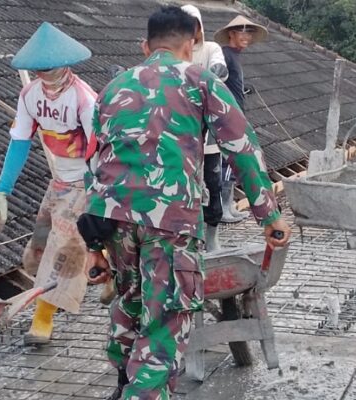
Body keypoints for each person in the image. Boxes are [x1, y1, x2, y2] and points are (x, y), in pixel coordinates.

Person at [81, 6, 291, 399]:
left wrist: (94, 248)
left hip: (113, 221)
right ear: (193, 41)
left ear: (146, 45)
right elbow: (241, 149)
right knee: (164, 323)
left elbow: (93, 162)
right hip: (171, 222)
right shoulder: (201, 79)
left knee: (131, 304)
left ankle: (126, 382)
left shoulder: (113, 88)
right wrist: (269, 215)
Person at [0, 22, 98, 345]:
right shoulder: (30, 95)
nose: (45, 77)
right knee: (39, 246)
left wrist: (94, 194)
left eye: (49, 69)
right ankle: (106, 269)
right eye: (38, 71)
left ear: (65, 65)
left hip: (85, 179)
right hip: (59, 181)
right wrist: (1, 191)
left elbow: (98, 149)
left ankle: (43, 320)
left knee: (63, 250)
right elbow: (19, 141)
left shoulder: (84, 99)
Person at [181, 4, 230, 250]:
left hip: (208, 135)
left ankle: (212, 237)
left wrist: (215, 72)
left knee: (213, 184)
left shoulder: (210, 49)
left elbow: (219, 66)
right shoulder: (177, 53)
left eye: (194, 26)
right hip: (181, 135)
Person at [214, 15, 268, 224]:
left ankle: (230, 206)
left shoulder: (235, 55)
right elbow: (216, 82)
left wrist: (243, 89)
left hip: (237, 114)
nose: (246, 37)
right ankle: (224, 208)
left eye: (249, 33)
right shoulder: (225, 55)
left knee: (234, 163)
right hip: (228, 116)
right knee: (228, 162)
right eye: (242, 33)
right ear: (231, 34)